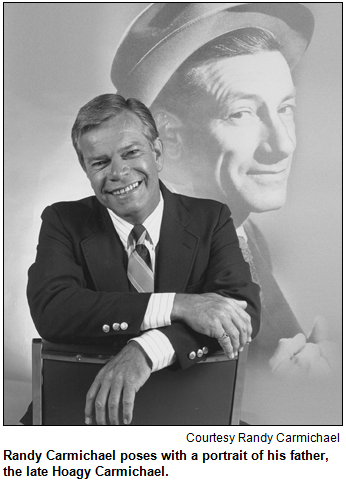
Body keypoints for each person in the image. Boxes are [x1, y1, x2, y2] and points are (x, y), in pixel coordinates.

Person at [110, 3, 340, 423]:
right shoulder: (144, 256)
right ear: (171, 140)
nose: (284, 144)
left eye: (285, 108)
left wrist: (307, 371)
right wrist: (279, 403)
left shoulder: (244, 236)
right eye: (242, 113)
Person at [26, 93, 261, 425]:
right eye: (100, 162)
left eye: (131, 152)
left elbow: (241, 312)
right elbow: (53, 310)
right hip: (83, 411)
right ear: (86, 169)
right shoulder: (62, 221)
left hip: (189, 408)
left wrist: (146, 350)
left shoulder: (212, 219)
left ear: (158, 153)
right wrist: (179, 305)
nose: (119, 172)